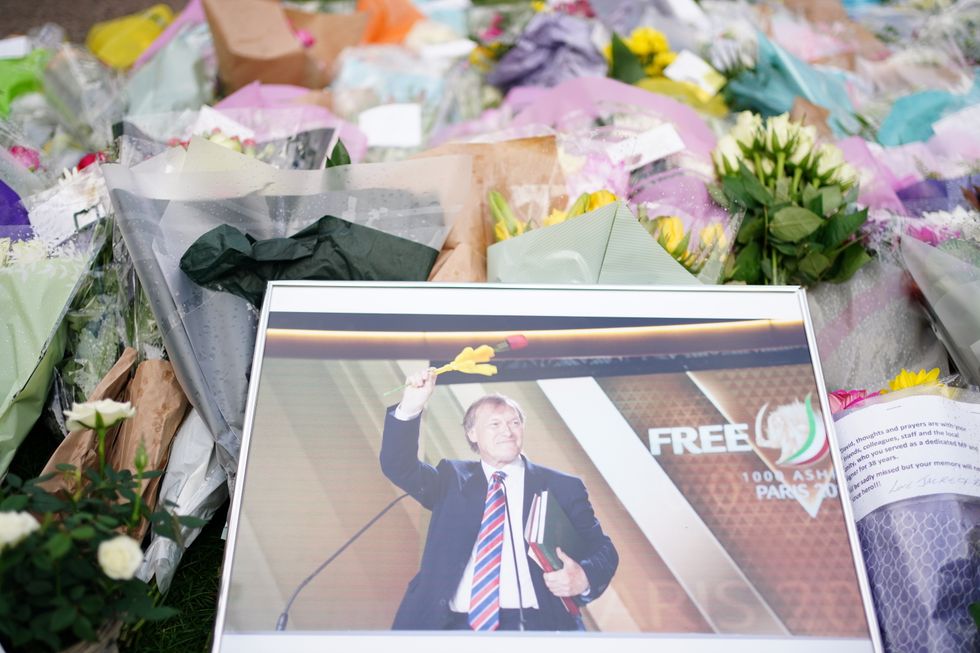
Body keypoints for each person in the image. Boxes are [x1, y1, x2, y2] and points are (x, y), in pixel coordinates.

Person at [380, 368, 619, 631]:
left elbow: (603, 549)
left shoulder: (562, 486)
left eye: (514, 423)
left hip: (536, 627)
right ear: (472, 434)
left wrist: (584, 576)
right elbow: (398, 465)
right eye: (495, 424)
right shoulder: (451, 479)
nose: (507, 431)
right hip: (451, 627)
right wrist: (410, 407)